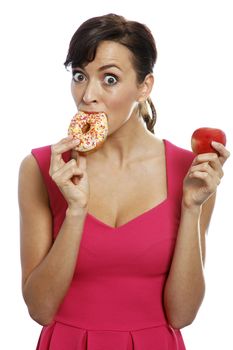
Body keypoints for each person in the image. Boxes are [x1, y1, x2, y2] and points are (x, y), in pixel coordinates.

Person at [18, 13, 230, 350]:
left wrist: (191, 208)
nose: (87, 95)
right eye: (79, 75)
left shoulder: (192, 173)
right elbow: (40, 309)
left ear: (144, 86)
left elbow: (182, 315)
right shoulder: (41, 168)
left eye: (110, 79)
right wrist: (75, 211)